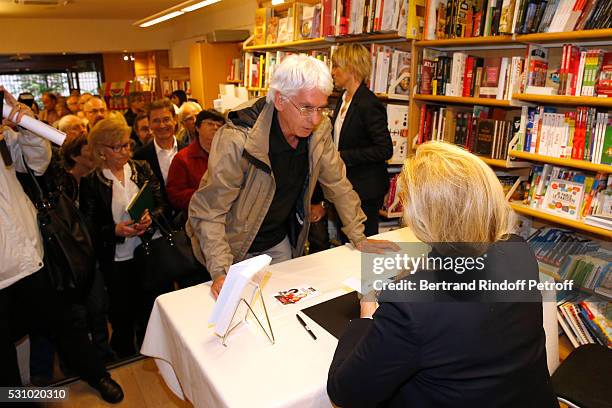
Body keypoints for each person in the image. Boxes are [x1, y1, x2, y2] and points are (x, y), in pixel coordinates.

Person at [327, 142, 558, 408]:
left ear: (423, 216)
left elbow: (345, 392)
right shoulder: (518, 250)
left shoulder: (411, 307)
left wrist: (366, 316)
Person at [188, 55, 398, 298]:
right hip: (232, 246)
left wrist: (358, 236)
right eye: (307, 108)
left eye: (321, 108)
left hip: (278, 242)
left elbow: (338, 183)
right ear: (279, 99)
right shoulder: (237, 138)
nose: (316, 119)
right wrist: (221, 271)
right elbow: (209, 211)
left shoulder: (319, 131)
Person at [0, 87, 123, 403]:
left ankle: (97, 375)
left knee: (67, 325)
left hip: (31, 259)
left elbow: (38, 163)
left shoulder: (5, 141)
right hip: (2, 273)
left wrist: (25, 122)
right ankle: (18, 399)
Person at [79, 118, 167, 358]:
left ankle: (150, 352)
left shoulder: (141, 168)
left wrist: (150, 218)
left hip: (146, 250)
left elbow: (160, 203)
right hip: (117, 259)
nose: (125, 151)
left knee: (149, 306)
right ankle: (125, 356)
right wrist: (115, 230)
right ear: (100, 151)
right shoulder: (92, 182)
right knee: (121, 312)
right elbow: (88, 226)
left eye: (127, 144)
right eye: (117, 147)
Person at [330, 44, 393, 237]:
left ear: (351, 67)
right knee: (345, 243)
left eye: (336, 66)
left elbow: (384, 150)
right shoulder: (342, 99)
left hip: (365, 188)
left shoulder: (369, 103)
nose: (332, 72)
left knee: (363, 245)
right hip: (346, 185)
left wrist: (342, 156)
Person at [133, 99, 187, 212]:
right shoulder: (139, 157)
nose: (162, 125)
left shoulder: (188, 150)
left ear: (175, 120)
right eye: (156, 121)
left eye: (166, 119)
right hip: (159, 221)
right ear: (149, 123)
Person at [167, 109, 224, 215]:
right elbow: (174, 196)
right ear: (197, 128)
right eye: (210, 124)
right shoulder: (183, 158)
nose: (215, 128)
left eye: (219, 125)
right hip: (197, 217)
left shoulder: (227, 155)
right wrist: (204, 195)